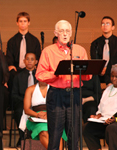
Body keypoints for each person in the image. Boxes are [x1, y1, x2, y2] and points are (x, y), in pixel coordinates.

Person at [35, 20, 91, 150]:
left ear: (71, 33)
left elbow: (88, 76)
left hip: (74, 94)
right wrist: (56, 74)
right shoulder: (48, 51)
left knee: (74, 135)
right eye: (61, 31)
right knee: (54, 135)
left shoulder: (80, 50)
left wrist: (86, 71)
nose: (65, 34)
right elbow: (40, 74)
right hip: (56, 95)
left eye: (67, 31)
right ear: (56, 33)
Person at [23, 81, 67, 149]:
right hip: (36, 118)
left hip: (53, 116)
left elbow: (60, 105)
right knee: (43, 131)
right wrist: (38, 115)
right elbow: (26, 110)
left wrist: (49, 114)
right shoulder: (30, 89)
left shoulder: (55, 89)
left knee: (57, 133)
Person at [83, 64, 117, 150]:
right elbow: (101, 107)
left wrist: (114, 119)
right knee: (87, 128)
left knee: (111, 128)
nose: (113, 79)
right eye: (112, 76)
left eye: (116, 76)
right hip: (104, 121)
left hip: (114, 122)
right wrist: (98, 115)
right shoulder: (108, 89)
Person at [11, 52, 37, 146]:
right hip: (22, 103)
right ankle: (23, 138)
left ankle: (34, 137)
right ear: (24, 61)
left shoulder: (39, 76)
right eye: (27, 59)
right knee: (19, 112)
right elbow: (14, 94)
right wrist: (25, 101)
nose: (29, 61)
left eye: (32, 59)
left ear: (36, 62)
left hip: (38, 103)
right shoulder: (18, 76)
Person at [90, 16, 117, 84]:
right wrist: (101, 68)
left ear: (113, 27)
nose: (105, 26)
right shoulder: (95, 43)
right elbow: (94, 59)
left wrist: (108, 69)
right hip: (99, 73)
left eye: (107, 24)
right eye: (103, 24)